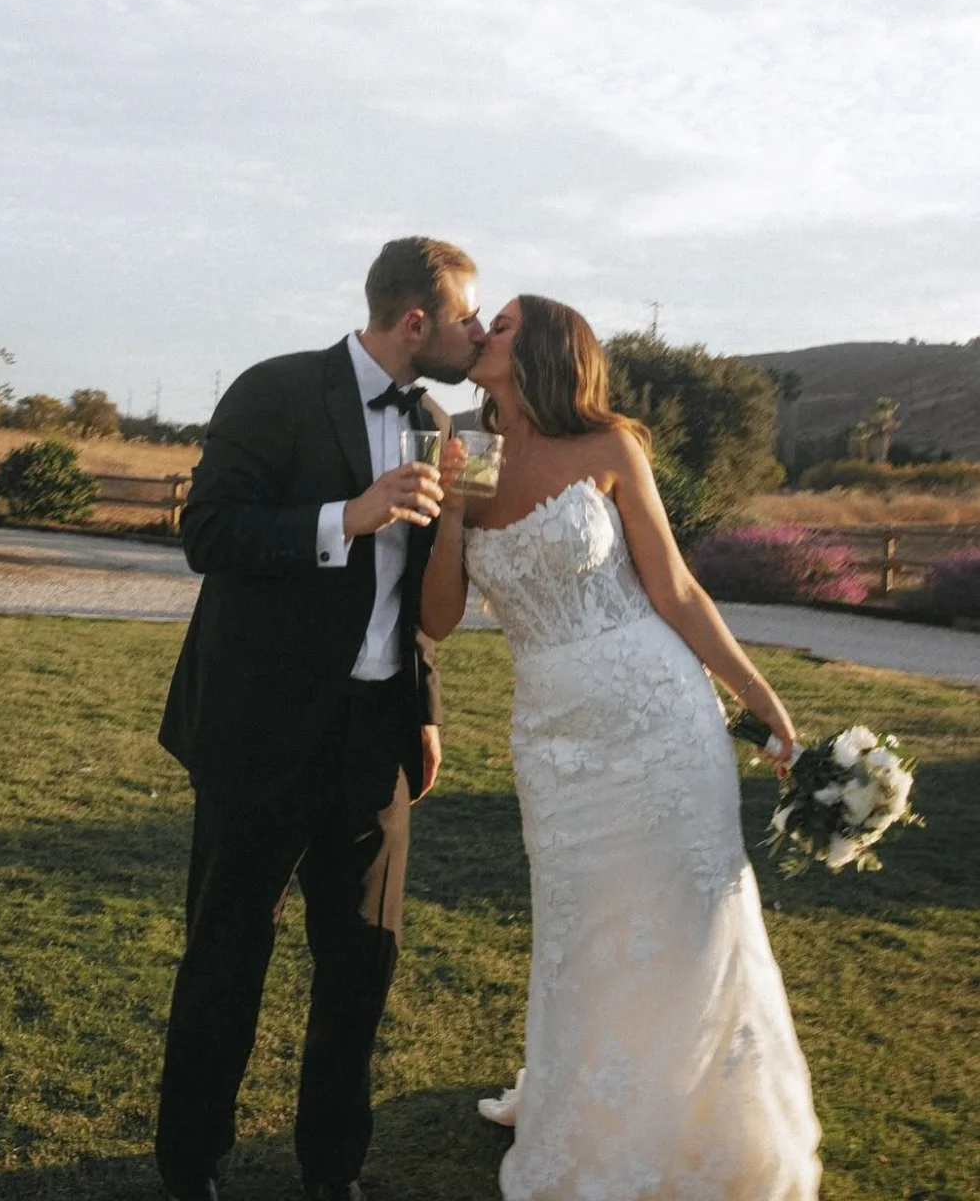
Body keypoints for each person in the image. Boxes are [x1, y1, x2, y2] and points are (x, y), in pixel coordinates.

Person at [420, 295, 821, 1200]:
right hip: (556, 741)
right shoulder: (471, 458)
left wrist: (760, 700)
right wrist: (448, 512)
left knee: (690, 919)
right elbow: (437, 620)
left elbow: (676, 592)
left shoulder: (611, 448)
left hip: (661, 717)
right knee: (584, 930)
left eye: (508, 323)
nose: (485, 330)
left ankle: (700, 1122)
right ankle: (592, 1112)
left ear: (552, 351)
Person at [155, 237, 485, 1201]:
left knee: (360, 969)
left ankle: (332, 1170)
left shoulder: (434, 420)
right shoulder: (276, 389)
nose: (474, 331)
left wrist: (419, 703)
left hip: (374, 741)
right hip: (259, 731)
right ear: (415, 321)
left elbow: (412, 590)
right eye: (467, 314)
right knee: (227, 952)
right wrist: (345, 515)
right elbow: (207, 532)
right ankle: (190, 1166)